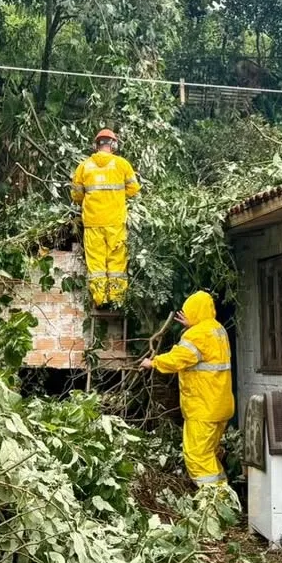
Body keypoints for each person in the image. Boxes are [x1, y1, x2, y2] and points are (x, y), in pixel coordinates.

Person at [141, 291, 235, 486]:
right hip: (220, 406)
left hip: (203, 408)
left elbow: (179, 358)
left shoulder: (196, 334)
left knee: (197, 457)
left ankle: (216, 502)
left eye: (188, 311)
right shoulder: (218, 329)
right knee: (210, 454)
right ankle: (224, 499)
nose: (185, 314)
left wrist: (153, 363)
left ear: (195, 311)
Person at [71, 129, 140, 306]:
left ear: (96, 145)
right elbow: (133, 190)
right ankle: (116, 299)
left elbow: (76, 196)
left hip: (93, 223)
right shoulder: (122, 164)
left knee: (96, 264)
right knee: (116, 262)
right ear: (114, 145)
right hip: (115, 222)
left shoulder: (84, 167)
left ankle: (100, 299)